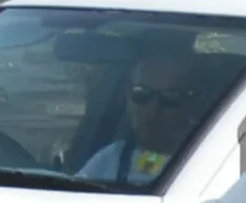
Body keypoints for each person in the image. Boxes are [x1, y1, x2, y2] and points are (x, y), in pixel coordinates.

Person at [77, 55, 203, 185]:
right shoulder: (112, 158)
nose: (152, 110)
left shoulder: (207, 164)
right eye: (141, 95)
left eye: (169, 98)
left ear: (191, 106)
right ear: (128, 101)